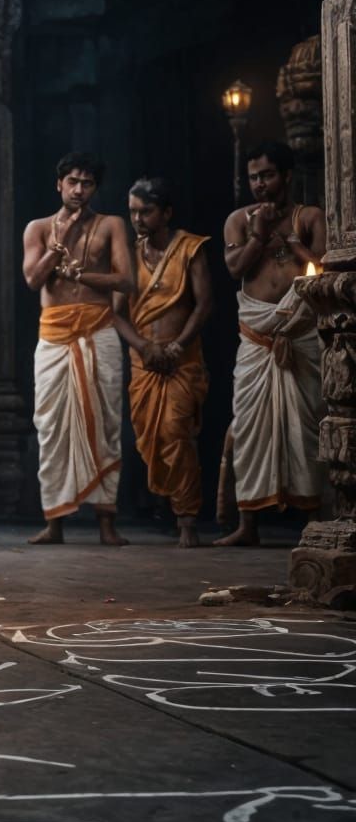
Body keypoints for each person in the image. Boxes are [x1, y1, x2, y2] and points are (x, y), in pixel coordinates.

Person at [216, 140, 327, 546]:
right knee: (249, 429)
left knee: (308, 426)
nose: (260, 184)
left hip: (301, 334)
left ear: (287, 176)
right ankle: (247, 525)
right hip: (257, 340)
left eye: (267, 175)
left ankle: (315, 518)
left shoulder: (310, 217)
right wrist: (259, 236)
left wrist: (291, 240)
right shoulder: (238, 221)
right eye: (253, 177)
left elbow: (323, 268)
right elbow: (233, 269)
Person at [22, 152, 136, 545]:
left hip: (98, 330)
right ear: (59, 184)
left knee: (106, 423)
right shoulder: (37, 229)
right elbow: (34, 280)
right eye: (72, 181)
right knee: (51, 426)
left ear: (95, 188)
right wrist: (60, 245)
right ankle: (55, 520)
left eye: (87, 183)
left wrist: (83, 274)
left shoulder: (111, 225)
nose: (78, 190)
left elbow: (126, 281)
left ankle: (106, 521)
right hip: (53, 335)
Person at [111, 177, 213, 547]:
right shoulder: (128, 256)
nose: (138, 219)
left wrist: (176, 346)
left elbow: (203, 303)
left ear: (166, 213)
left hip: (181, 359)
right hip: (145, 362)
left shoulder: (189, 248)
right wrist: (143, 348)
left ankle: (187, 519)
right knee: (150, 438)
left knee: (175, 432)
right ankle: (169, 507)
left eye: (146, 211)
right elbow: (117, 314)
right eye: (133, 211)